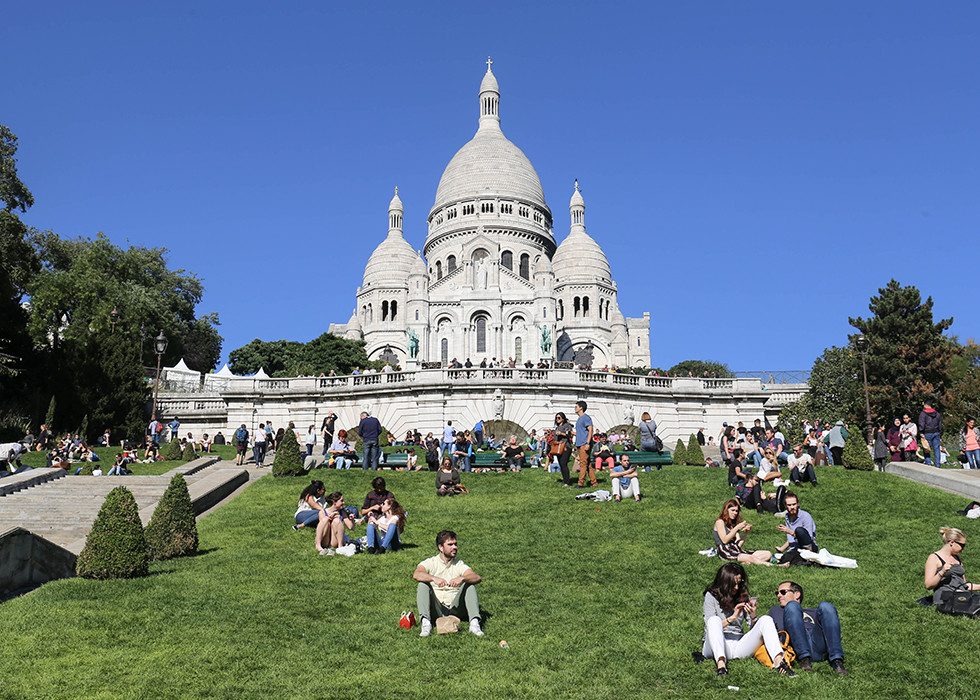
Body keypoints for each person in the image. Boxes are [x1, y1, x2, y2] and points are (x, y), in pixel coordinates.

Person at [700, 563, 795, 677]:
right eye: (733, 584)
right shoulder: (711, 596)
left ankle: (779, 662)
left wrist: (753, 615)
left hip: (737, 645)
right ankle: (721, 666)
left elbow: (754, 628)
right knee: (714, 620)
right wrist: (733, 617)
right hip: (714, 646)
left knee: (766, 619)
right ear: (724, 582)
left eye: (739, 583)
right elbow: (711, 627)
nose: (736, 587)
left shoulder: (743, 596)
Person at [413, 530, 484, 637]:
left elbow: (477, 577)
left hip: (456, 608)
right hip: (437, 608)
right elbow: (417, 574)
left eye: (455, 544)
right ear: (440, 547)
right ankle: (426, 623)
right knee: (422, 584)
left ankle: (474, 624)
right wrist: (433, 578)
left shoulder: (459, 564)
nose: (454, 547)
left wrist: (462, 578)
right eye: (450, 545)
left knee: (469, 584)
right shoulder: (430, 562)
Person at [769, 581, 848, 675]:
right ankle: (804, 660)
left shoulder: (814, 612)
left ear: (797, 594)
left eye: (783, 592)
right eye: (777, 593)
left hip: (818, 644)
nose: (778, 595)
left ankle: (837, 661)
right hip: (796, 646)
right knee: (792, 605)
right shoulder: (776, 610)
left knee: (826, 606)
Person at [925, 527, 978, 605]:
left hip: (961, 593)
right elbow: (928, 585)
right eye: (962, 545)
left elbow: (965, 585)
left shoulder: (957, 558)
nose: (963, 549)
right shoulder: (934, 558)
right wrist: (942, 572)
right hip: (944, 595)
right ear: (952, 542)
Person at [713, 500, 773, 566]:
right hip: (725, 550)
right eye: (732, 510)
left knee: (768, 554)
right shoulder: (720, 522)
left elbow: (738, 546)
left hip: (735, 550)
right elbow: (724, 540)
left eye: (736, 511)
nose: (735, 513)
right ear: (726, 510)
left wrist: (746, 533)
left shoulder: (733, 525)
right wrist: (737, 528)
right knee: (751, 557)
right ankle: (774, 565)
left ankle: (746, 562)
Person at [314, 491, 356, 555]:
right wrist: (329, 518)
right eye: (341, 501)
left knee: (337, 520)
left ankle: (340, 546)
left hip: (334, 541)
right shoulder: (322, 512)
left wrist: (352, 520)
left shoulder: (342, 512)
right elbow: (322, 526)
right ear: (334, 502)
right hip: (325, 539)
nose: (343, 503)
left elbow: (351, 528)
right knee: (325, 519)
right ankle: (318, 545)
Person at [573, 400, 596, 488]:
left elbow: (591, 430)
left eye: (576, 407)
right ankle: (594, 483)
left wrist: (587, 443)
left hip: (584, 444)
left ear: (581, 408)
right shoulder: (579, 419)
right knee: (588, 464)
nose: (575, 408)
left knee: (583, 464)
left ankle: (580, 483)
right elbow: (581, 432)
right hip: (580, 444)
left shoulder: (586, 418)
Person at [918, 400, 943, 469]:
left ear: (925, 405)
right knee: (937, 449)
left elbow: (921, 423)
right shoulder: (937, 413)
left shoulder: (923, 413)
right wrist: (941, 433)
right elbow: (940, 424)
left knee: (926, 448)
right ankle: (937, 464)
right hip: (936, 432)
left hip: (927, 432)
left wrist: (921, 432)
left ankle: (928, 463)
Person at [551, 412, 573, 486]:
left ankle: (567, 482)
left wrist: (561, 433)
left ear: (563, 418)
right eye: (556, 418)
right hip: (558, 447)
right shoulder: (557, 427)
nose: (557, 419)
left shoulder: (567, 426)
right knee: (561, 464)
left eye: (559, 418)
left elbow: (569, 435)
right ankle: (565, 480)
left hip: (566, 447)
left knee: (563, 463)